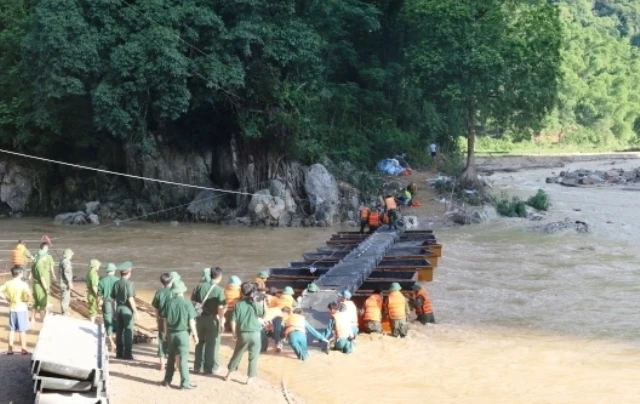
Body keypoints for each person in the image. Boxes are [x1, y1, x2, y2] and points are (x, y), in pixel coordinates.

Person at [225, 282, 267, 385]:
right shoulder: (256, 304)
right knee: (254, 356)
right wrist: (263, 303)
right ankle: (249, 379)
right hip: (256, 333)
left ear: (242, 292)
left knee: (237, 354)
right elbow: (264, 316)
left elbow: (233, 320)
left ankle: (229, 374)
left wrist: (234, 332)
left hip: (243, 333)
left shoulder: (238, 305)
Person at [162, 280, 199, 390]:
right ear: (183, 290)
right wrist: (195, 336)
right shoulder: (187, 303)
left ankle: (167, 380)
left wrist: (165, 333)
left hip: (171, 333)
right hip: (183, 333)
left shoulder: (168, 303)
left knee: (170, 358)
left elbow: (164, 320)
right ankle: (185, 383)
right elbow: (192, 321)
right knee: (183, 359)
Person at [191, 267, 226, 375]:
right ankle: (210, 368)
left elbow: (192, 303)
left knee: (200, 342)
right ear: (219, 277)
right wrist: (221, 321)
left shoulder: (199, 287)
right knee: (212, 343)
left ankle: (197, 366)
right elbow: (220, 308)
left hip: (199, 318)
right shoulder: (219, 290)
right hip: (212, 319)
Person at [0, 266, 32, 355]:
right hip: (21, 309)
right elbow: (29, 294)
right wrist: (28, 302)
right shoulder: (23, 284)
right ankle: (24, 348)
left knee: (12, 330)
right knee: (22, 330)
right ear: (20, 273)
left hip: (12, 309)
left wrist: (6, 297)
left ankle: (10, 349)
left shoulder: (8, 283)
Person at [111, 261, 138, 360]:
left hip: (118, 308)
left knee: (119, 331)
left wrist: (114, 311)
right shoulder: (129, 284)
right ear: (129, 272)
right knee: (128, 332)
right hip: (127, 309)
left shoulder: (116, 283)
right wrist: (135, 311)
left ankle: (119, 353)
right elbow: (130, 298)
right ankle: (127, 354)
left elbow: (113, 298)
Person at [152, 272, 174, 371]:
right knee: (172, 340)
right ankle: (173, 363)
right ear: (171, 281)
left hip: (162, 319)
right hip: (172, 319)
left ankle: (162, 364)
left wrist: (157, 319)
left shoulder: (159, 293)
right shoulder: (173, 292)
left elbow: (156, 309)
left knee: (162, 340)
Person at [31, 243, 55, 322]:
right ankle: (43, 320)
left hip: (35, 284)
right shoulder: (40, 266)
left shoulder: (34, 264)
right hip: (40, 286)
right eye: (44, 256)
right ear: (42, 257)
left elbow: (32, 275)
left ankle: (32, 318)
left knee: (35, 302)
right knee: (42, 304)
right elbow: (42, 278)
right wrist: (46, 288)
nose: (45, 257)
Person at [98, 263, 119, 353]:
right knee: (117, 321)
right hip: (116, 303)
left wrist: (99, 303)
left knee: (108, 321)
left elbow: (99, 294)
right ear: (114, 271)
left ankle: (111, 342)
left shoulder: (102, 281)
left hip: (106, 303)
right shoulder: (118, 280)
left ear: (107, 271)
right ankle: (117, 340)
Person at [58, 249, 74, 316]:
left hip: (62, 282)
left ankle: (63, 310)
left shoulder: (62, 261)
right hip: (65, 283)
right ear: (68, 255)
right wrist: (69, 282)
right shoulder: (66, 262)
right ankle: (64, 312)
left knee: (63, 297)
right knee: (66, 297)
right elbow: (67, 272)